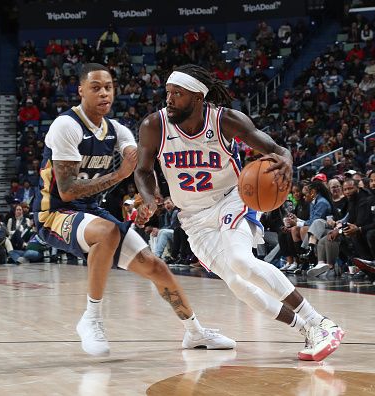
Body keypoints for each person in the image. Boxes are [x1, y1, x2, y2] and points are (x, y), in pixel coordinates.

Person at [134, 64, 344, 361]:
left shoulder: (225, 120)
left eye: (177, 94)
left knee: (241, 262)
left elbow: (276, 149)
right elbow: (142, 171)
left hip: (231, 199)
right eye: (168, 92)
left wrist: (285, 162)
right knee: (237, 283)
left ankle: (320, 322)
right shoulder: (154, 125)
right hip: (192, 216)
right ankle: (305, 329)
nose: (168, 99)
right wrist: (149, 199)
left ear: (197, 97)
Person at [32, 63, 234, 357]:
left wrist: (146, 200)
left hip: (90, 212)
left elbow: (138, 165)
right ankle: (91, 318)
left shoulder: (117, 130)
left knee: (156, 267)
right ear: (80, 92)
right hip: (53, 213)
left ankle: (194, 332)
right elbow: (67, 190)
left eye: (109, 88)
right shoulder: (67, 126)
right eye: (96, 88)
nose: (104, 94)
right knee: (107, 231)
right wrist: (117, 176)